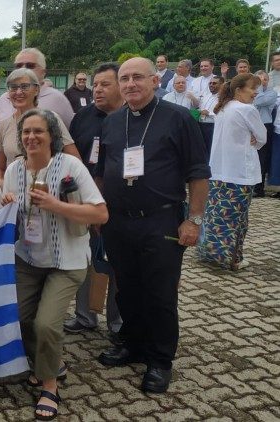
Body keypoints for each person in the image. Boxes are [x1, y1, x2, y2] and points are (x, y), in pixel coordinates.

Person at [95, 58, 210, 394]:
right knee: (126, 289)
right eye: (125, 78)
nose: (131, 84)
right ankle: (132, 344)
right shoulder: (113, 122)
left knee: (159, 294)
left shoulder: (178, 118)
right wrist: (101, 211)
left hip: (161, 218)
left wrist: (194, 220)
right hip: (118, 220)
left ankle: (160, 361)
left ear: (155, 80)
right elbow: (102, 171)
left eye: (138, 78)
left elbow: (199, 173)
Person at [1, 109, 108, 420]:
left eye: (39, 131)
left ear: (52, 136)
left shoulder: (70, 167)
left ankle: (49, 385)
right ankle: (52, 361)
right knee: (20, 318)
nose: (31, 137)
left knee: (46, 324)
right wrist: (5, 204)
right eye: (26, 132)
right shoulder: (14, 170)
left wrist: (56, 205)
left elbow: (101, 214)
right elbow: (11, 214)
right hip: (29, 258)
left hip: (67, 260)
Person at [63, 62, 124, 341]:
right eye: (95, 84)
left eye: (105, 84)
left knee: (117, 265)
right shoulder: (83, 117)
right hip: (83, 203)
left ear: (120, 86)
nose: (97, 90)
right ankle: (85, 316)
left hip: (121, 205)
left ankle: (118, 321)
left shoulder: (130, 119)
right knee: (84, 259)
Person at [197, 73, 265, 270]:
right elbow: (262, 137)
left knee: (216, 215)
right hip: (240, 173)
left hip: (218, 172)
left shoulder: (223, 108)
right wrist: (255, 138)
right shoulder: (247, 109)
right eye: (252, 89)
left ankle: (211, 254)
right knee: (237, 218)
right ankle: (233, 259)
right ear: (238, 89)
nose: (255, 94)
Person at [0, 68, 77, 187]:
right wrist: (3, 187)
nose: (18, 92)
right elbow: (0, 169)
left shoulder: (52, 119)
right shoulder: (2, 126)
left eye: (24, 86)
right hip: (15, 197)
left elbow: (74, 159)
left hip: (49, 193)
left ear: (36, 90)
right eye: (13, 87)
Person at [0, 48, 75, 128]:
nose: (23, 69)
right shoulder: (3, 99)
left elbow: (72, 133)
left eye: (30, 66)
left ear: (43, 72)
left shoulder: (57, 99)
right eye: (18, 66)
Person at [251, 71, 277, 198]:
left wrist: (258, 87)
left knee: (261, 157)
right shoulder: (250, 92)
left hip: (264, 125)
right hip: (251, 125)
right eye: (259, 80)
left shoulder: (272, 93)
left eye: (265, 79)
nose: (263, 82)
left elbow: (259, 101)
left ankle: (259, 188)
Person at [198, 76, 223, 157]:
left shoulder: (223, 99)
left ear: (221, 85)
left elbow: (223, 114)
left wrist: (209, 113)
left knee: (211, 150)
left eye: (214, 83)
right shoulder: (206, 95)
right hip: (201, 125)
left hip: (213, 127)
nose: (211, 85)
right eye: (210, 83)